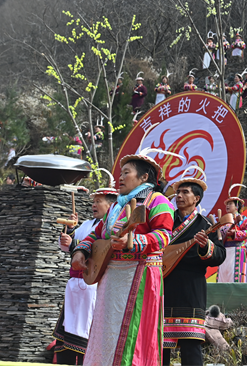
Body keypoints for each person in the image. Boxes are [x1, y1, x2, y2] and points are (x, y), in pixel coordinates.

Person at [72, 150, 175, 366]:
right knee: (105, 331)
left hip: (140, 274)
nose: (120, 177)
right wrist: (81, 251)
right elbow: (97, 234)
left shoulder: (158, 201)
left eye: (126, 172)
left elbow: (164, 235)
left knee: (133, 334)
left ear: (144, 177)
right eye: (120, 173)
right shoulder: (116, 207)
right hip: (110, 277)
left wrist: (135, 242)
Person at [163, 177, 226, 366]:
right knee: (160, 344)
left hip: (191, 287)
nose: (179, 196)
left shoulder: (206, 225)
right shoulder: (165, 221)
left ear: (196, 198)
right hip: (164, 284)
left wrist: (206, 247)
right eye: (178, 192)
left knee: (191, 343)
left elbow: (220, 254)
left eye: (185, 192)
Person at [53, 186, 117, 364]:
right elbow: (69, 247)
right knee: (67, 331)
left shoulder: (111, 227)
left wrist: (74, 243)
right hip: (75, 285)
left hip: (92, 285)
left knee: (87, 332)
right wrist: (69, 233)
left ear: (111, 205)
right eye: (93, 202)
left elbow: (100, 250)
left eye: (99, 201)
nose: (94, 205)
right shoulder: (87, 224)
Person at [217, 196, 247, 283]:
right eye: (227, 204)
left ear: (237, 206)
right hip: (224, 250)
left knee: (235, 275)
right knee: (223, 274)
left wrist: (235, 233)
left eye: (230, 204)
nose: (227, 206)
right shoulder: (224, 220)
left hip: (237, 250)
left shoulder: (242, 218)